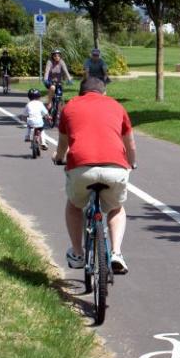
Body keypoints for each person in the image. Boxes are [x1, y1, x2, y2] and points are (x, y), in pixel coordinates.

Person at [53, 76, 136, 274]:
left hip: (81, 168)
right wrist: (132, 163)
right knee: (116, 208)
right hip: (114, 168)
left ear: (81, 93)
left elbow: (63, 143)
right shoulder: (116, 106)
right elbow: (130, 144)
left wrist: (58, 157)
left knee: (74, 206)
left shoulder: (70, 107)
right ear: (104, 92)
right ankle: (116, 252)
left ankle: (78, 252)